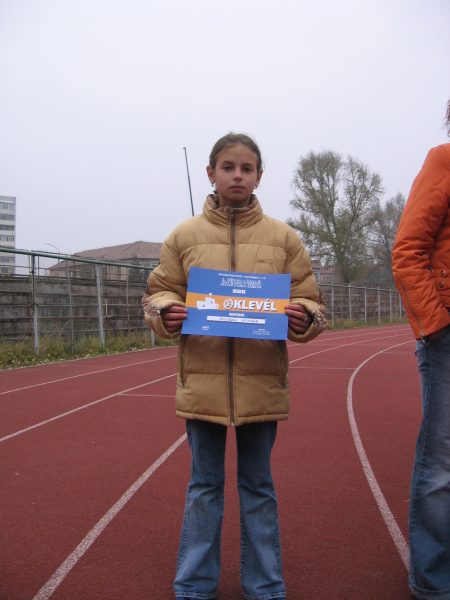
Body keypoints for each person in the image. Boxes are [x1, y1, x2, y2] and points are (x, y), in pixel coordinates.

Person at [143, 132, 326, 600]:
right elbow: (158, 291)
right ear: (211, 173)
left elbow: (310, 298)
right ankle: (193, 585)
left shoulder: (283, 238)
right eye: (228, 167)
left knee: (258, 486)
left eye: (247, 168)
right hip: (201, 384)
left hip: (261, 383)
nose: (237, 176)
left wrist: (304, 317)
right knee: (203, 486)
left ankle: (265, 585)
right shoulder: (184, 236)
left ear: (259, 176)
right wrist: (165, 311)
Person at [392, 101, 450, 600]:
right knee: (442, 464)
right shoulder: (443, 160)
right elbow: (408, 251)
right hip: (447, 335)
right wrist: (436, 326)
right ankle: (433, 580)